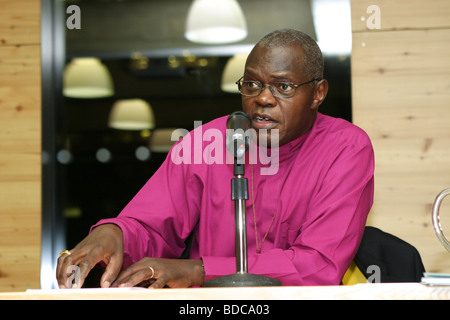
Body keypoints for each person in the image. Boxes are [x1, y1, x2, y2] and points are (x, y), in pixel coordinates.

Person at [57, 28, 374, 289]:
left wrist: (198, 271)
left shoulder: (345, 148)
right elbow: (150, 227)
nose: (263, 98)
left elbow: (318, 265)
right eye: (252, 84)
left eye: (283, 86)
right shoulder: (207, 142)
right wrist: (114, 234)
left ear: (318, 93)